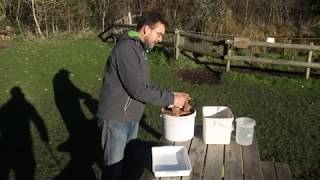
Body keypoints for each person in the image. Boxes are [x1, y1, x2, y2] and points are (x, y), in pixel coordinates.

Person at [96, 11, 189, 180]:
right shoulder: (126, 49)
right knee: (113, 170)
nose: (160, 39)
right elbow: (138, 90)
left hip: (130, 118)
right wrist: (172, 100)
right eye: (159, 34)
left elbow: (144, 85)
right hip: (116, 120)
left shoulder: (139, 49)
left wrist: (170, 94)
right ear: (146, 29)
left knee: (128, 165)